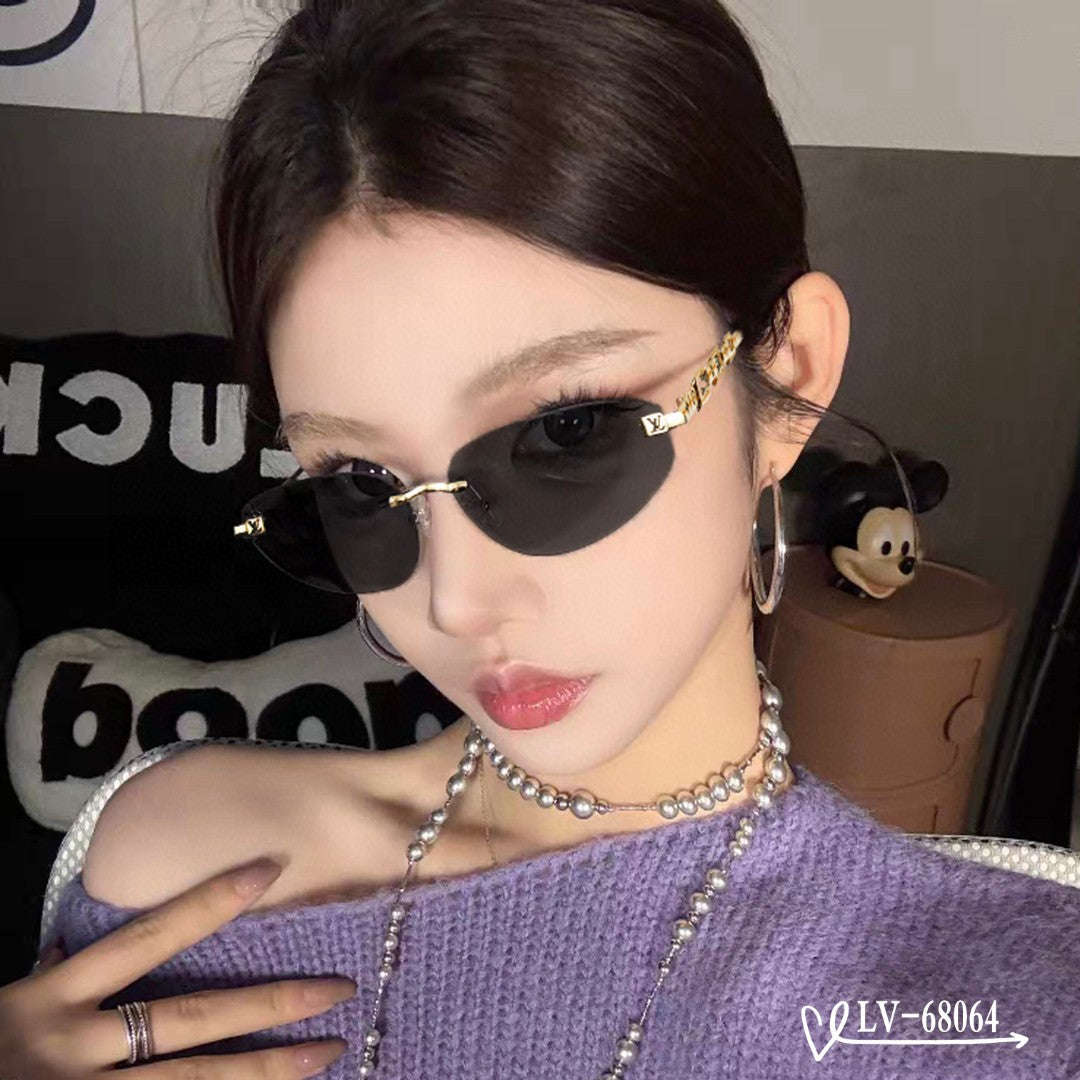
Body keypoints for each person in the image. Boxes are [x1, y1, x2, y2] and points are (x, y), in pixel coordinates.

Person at [2, 1, 1078, 1077]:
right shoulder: (185, 875)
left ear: (788, 372)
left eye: (565, 435)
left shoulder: (1012, 1006)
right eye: (362, 484)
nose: (457, 599)